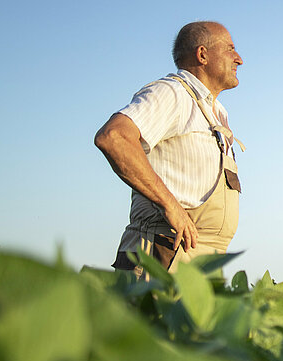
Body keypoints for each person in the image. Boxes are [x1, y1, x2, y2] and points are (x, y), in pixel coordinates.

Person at [94, 21, 245, 273]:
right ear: (202, 54)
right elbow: (113, 137)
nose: (239, 59)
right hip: (163, 255)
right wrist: (170, 205)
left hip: (200, 263)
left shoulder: (216, 112)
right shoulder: (173, 93)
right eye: (230, 49)